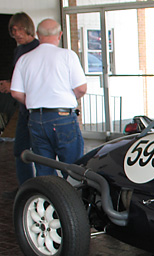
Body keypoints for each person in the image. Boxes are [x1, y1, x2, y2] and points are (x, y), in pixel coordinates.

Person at [10, 18, 87, 177]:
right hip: (63, 117)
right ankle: (73, 200)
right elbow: (81, 88)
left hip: (36, 118)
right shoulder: (67, 55)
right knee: (73, 168)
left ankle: (48, 200)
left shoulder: (24, 59)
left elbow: (16, 92)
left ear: (38, 34)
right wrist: (65, 98)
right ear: (60, 35)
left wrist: (33, 101)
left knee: (44, 169)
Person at [0, 12, 39, 198]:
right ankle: (25, 188)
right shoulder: (19, 50)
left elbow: (36, 80)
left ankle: (41, 189)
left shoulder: (36, 49)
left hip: (36, 109)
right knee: (20, 150)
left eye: (20, 29)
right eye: (13, 30)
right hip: (24, 109)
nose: (16, 33)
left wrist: (12, 85)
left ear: (28, 28)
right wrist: (11, 84)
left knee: (40, 152)